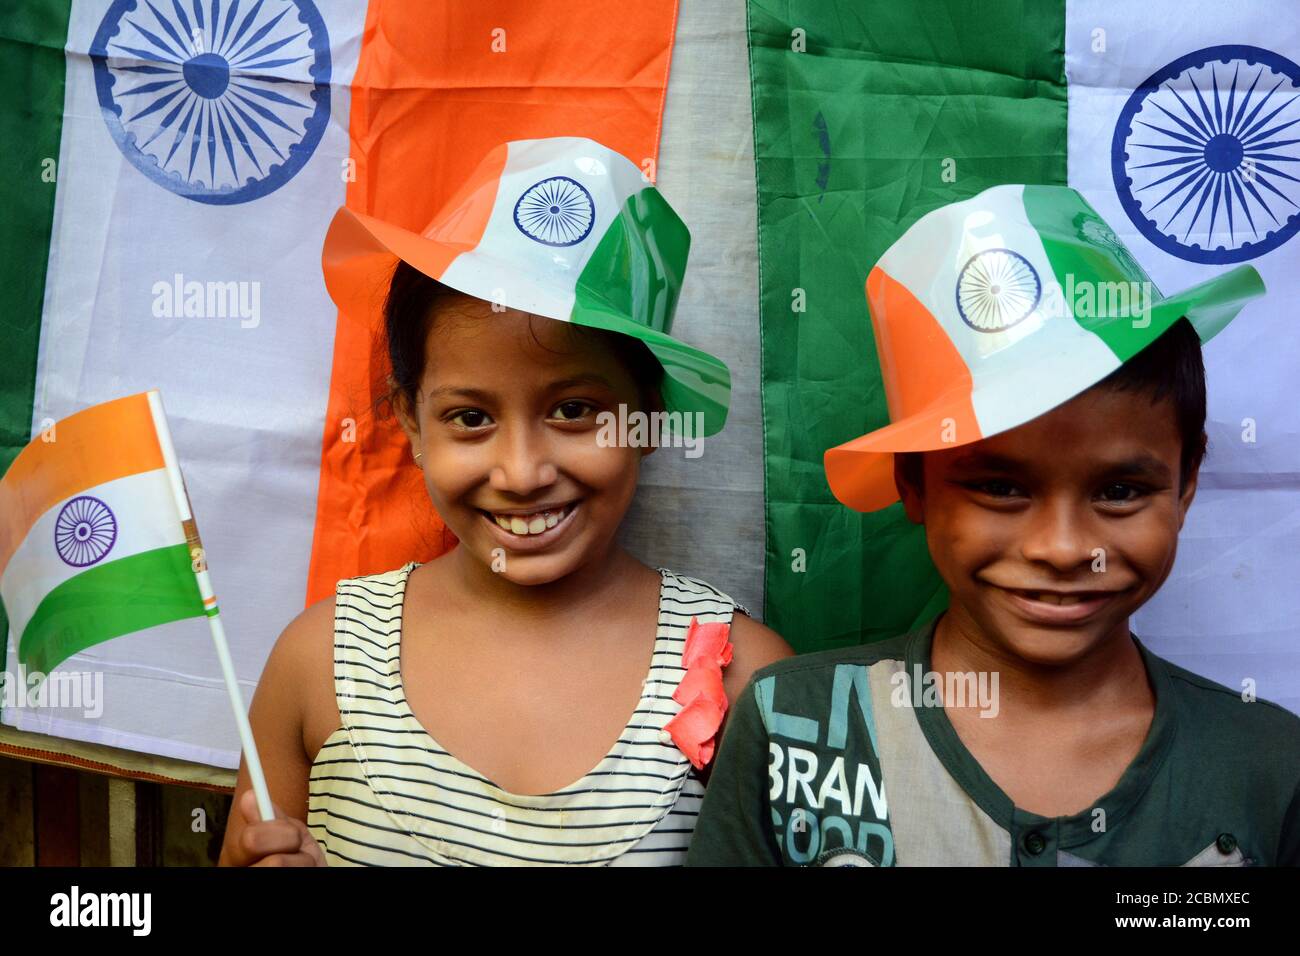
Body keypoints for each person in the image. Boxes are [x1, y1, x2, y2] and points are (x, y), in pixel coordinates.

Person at [687, 184, 1300, 866]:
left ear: (1186, 485)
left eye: (1121, 491)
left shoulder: (1271, 766)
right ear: (911, 484)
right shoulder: (792, 729)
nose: (1065, 549)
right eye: (1001, 488)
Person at [219, 136, 791, 866]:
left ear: (646, 417)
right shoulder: (319, 663)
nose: (521, 473)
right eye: (470, 418)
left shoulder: (743, 675)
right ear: (411, 423)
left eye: (575, 410)